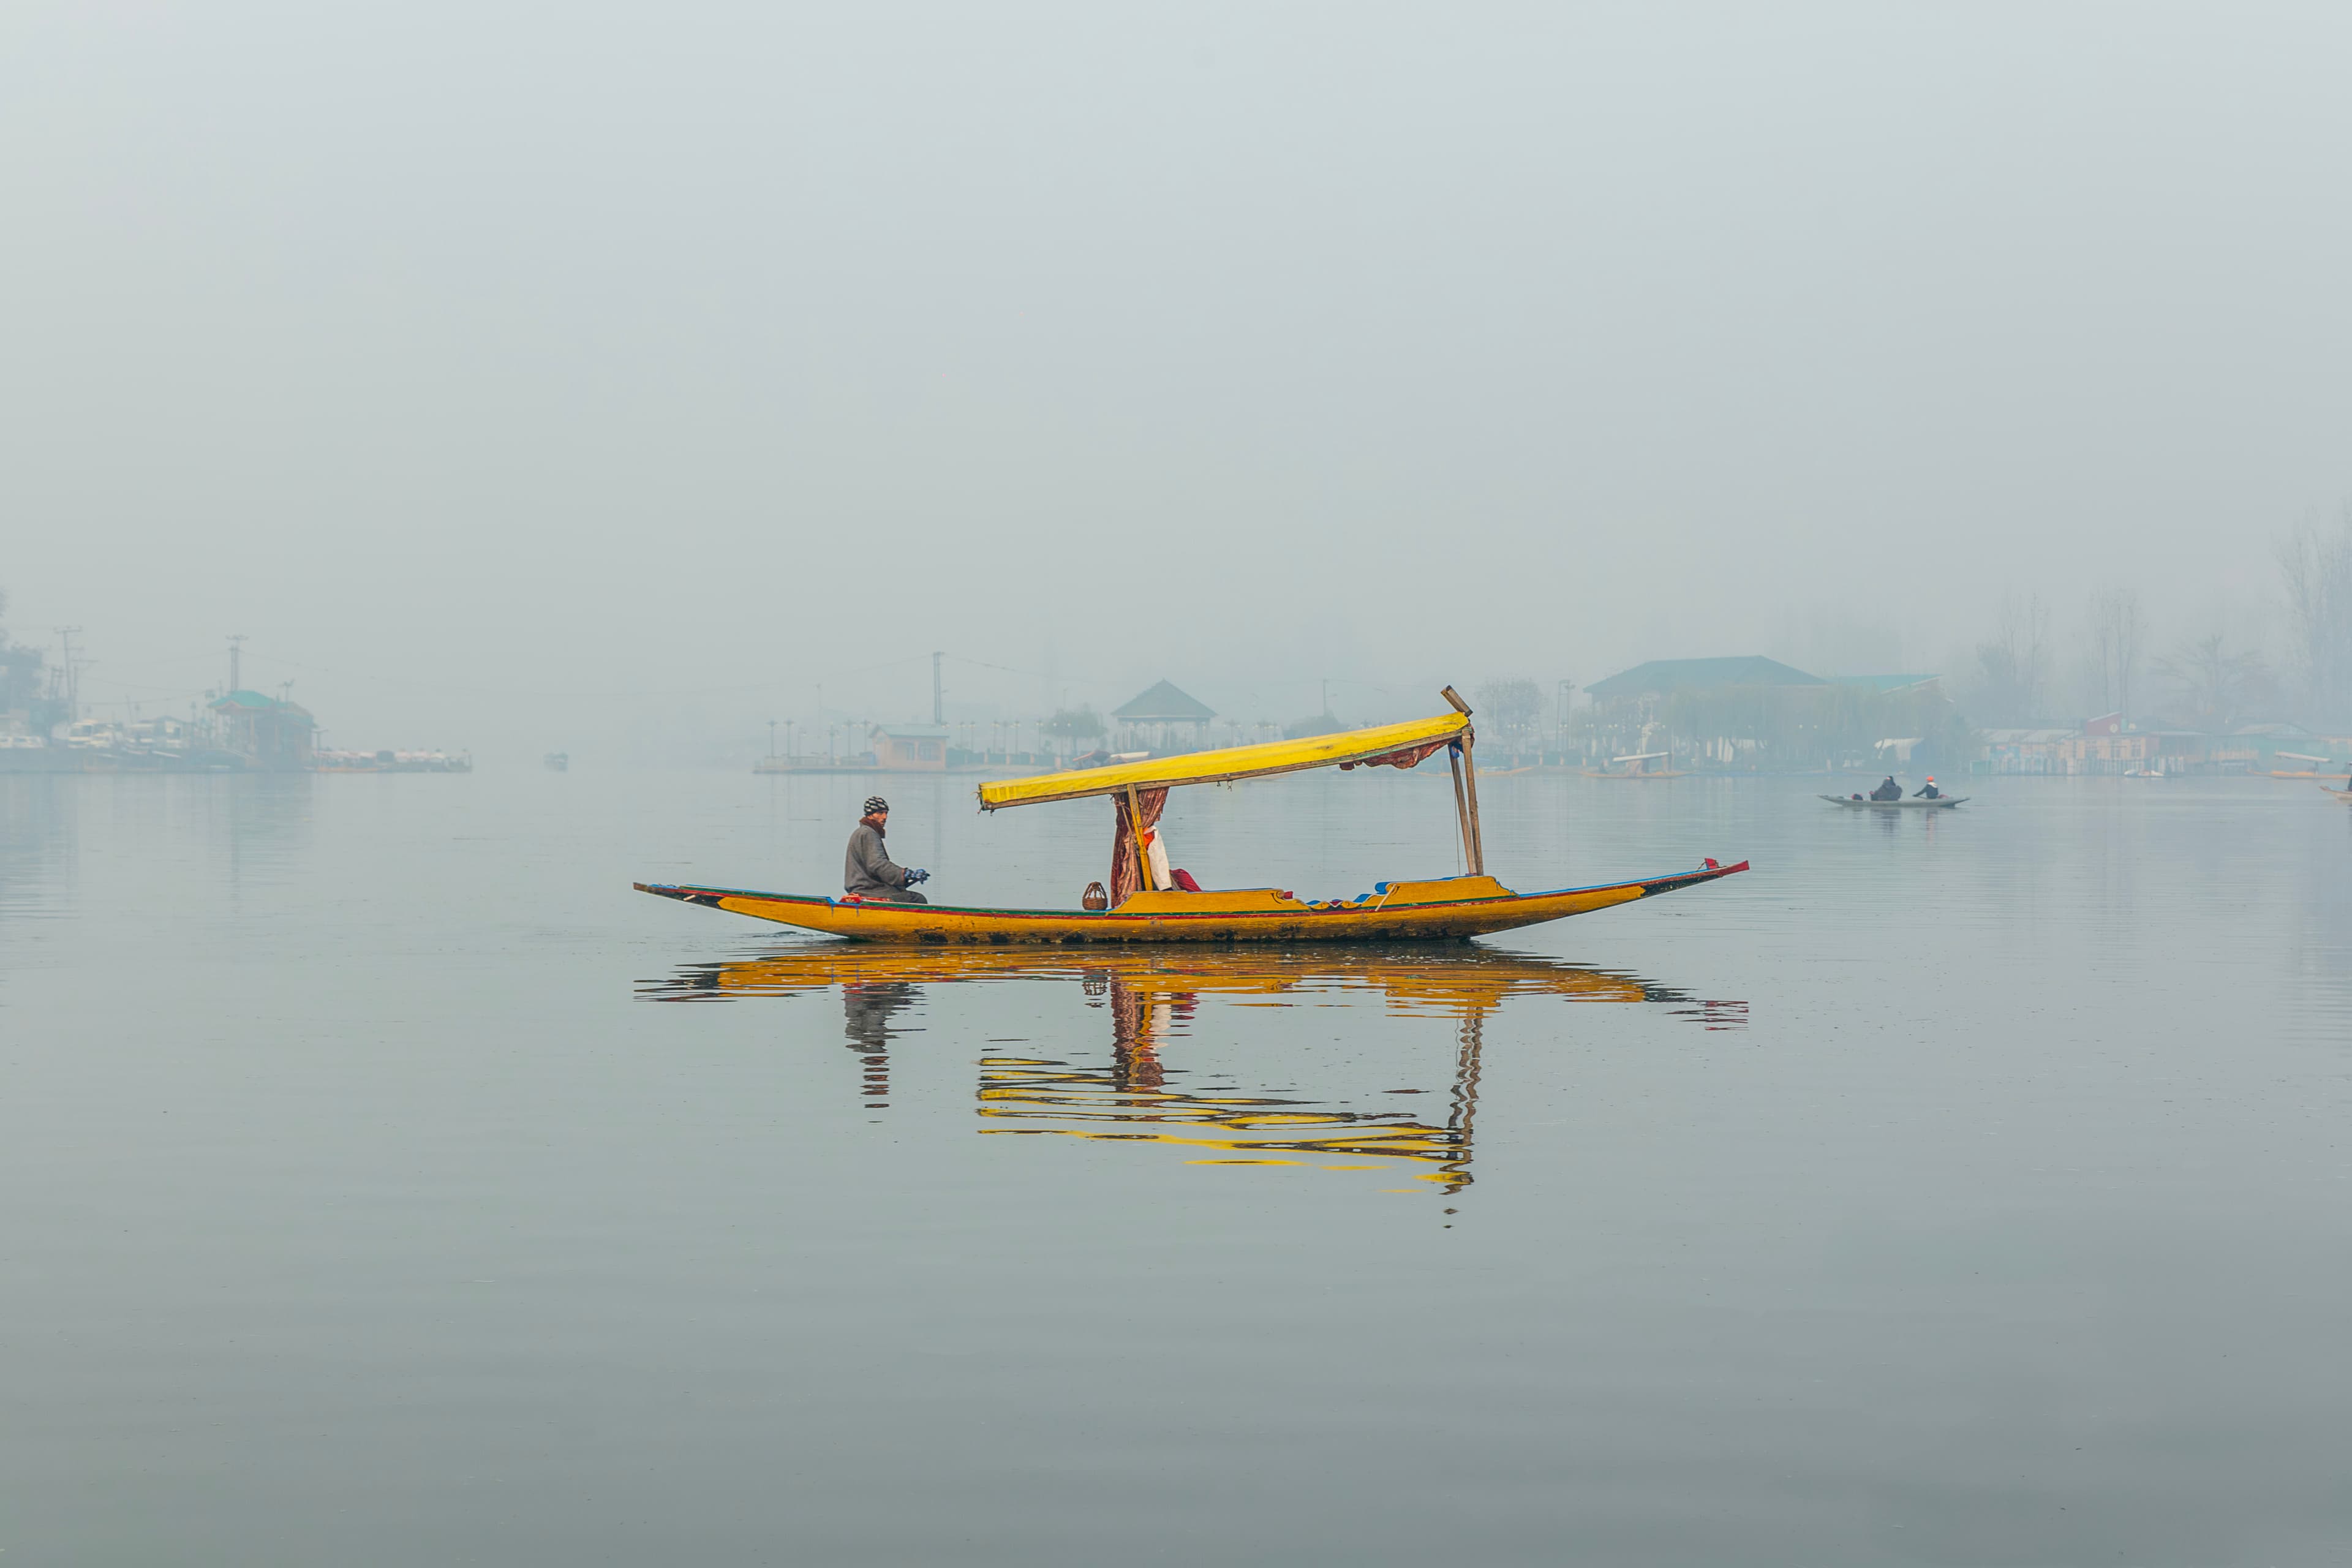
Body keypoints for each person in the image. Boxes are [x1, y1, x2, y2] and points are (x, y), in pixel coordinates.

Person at [843, 796, 929, 903]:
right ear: (870, 815)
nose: (885, 817)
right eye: (880, 813)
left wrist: (910, 877)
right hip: (869, 890)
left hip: (868, 888)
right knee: (918, 899)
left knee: (905, 893)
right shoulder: (868, 833)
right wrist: (904, 874)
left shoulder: (863, 832)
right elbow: (878, 864)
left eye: (886, 813)